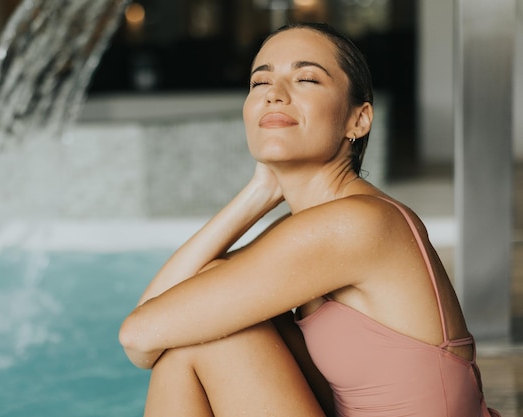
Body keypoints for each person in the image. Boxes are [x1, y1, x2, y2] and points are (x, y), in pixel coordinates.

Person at [119, 22, 500, 417]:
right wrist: (257, 195)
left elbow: (138, 336)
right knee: (197, 318)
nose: (274, 95)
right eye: (259, 83)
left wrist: (261, 195)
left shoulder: (355, 224)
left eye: (305, 78)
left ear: (359, 119)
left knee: (203, 333)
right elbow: (157, 317)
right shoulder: (314, 225)